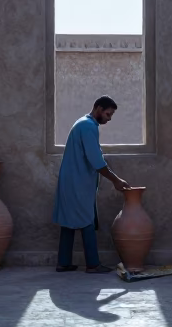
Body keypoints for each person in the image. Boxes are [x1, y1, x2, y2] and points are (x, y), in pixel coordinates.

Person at [53, 95, 129, 273]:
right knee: (87, 219)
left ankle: (63, 262)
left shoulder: (82, 123)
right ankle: (93, 264)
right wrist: (116, 180)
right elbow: (96, 161)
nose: (109, 119)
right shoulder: (88, 127)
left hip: (71, 181)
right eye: (108, 114)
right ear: (98, 109)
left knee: (69, 220)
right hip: (77, 183)